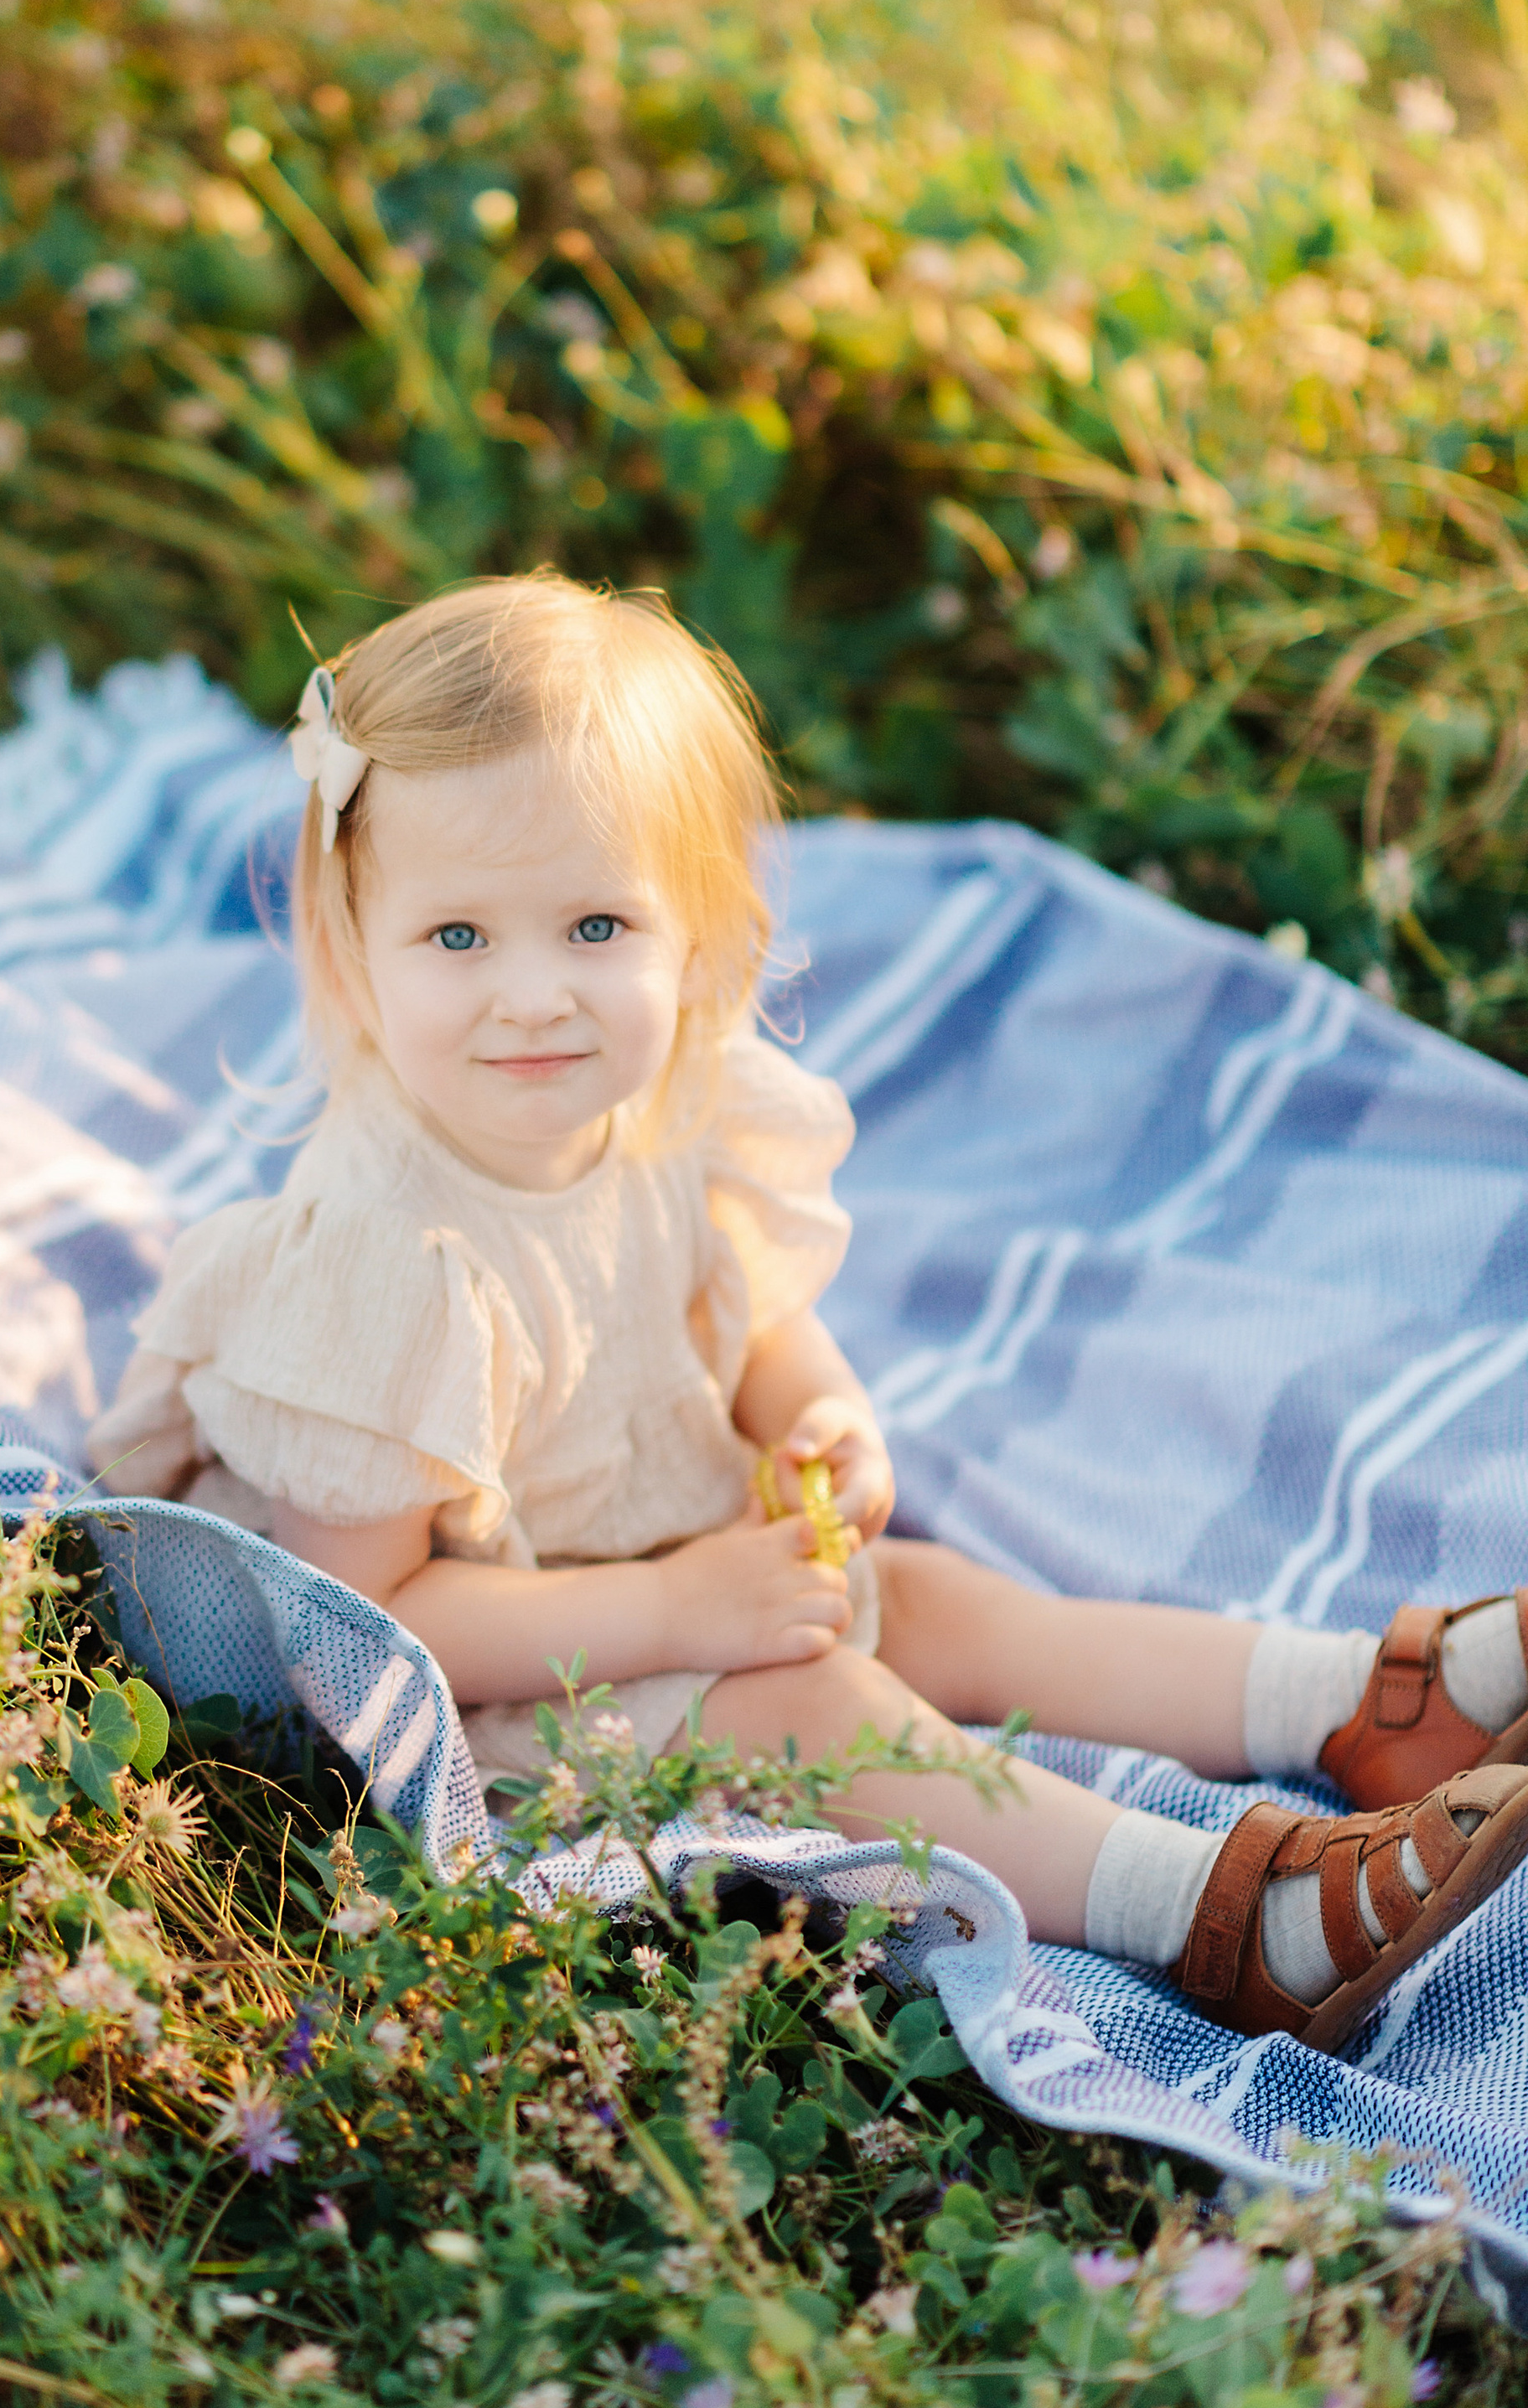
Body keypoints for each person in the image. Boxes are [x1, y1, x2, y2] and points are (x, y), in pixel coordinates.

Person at [91, 573, 1528, 2051]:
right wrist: (674, 1611)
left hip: (660, 1566)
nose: (533, 997)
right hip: (481, 1683)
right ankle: (1227, 1918)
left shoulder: (655, 1112)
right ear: (352, 938)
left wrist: (816, 1410)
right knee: (819, 1702)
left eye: (595, 925)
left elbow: (748, 1316)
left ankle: (1368, 1700)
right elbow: (370, 1628)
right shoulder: (386, 1258)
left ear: (697, 933)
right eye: (458, 938)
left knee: (950, 1604)